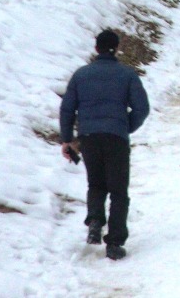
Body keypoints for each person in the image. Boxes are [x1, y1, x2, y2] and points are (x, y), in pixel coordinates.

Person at [59, 29, 150, 261]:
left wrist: (68, 139)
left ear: (97, 48)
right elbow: (142, 108)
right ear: (116, 48)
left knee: (96, 184)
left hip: (89, 137)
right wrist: (124, 126)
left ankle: (96, 221)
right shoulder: (127, 75)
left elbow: (68, 109)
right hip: (116, 138)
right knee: (119, 191)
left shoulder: (81, 75)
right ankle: (114, 243)